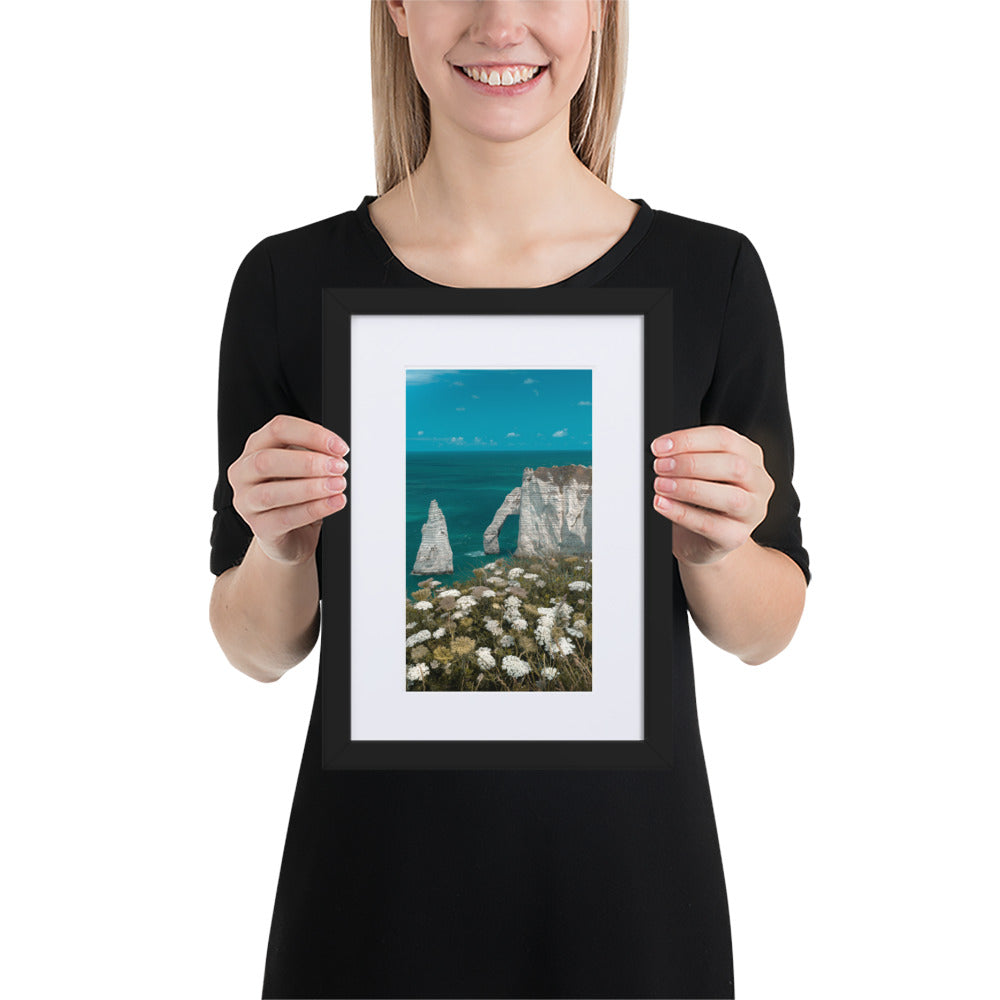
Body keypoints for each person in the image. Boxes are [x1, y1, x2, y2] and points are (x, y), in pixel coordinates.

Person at [209, 1, 810, 997]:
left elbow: (766, 628)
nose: (501, 21)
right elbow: (255, 647)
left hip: (630, 911)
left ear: (600, 15)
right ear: (399, 10)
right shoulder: (287, 282)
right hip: (368, 912)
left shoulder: (713, 277)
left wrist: (716, 550)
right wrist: (280, 548)